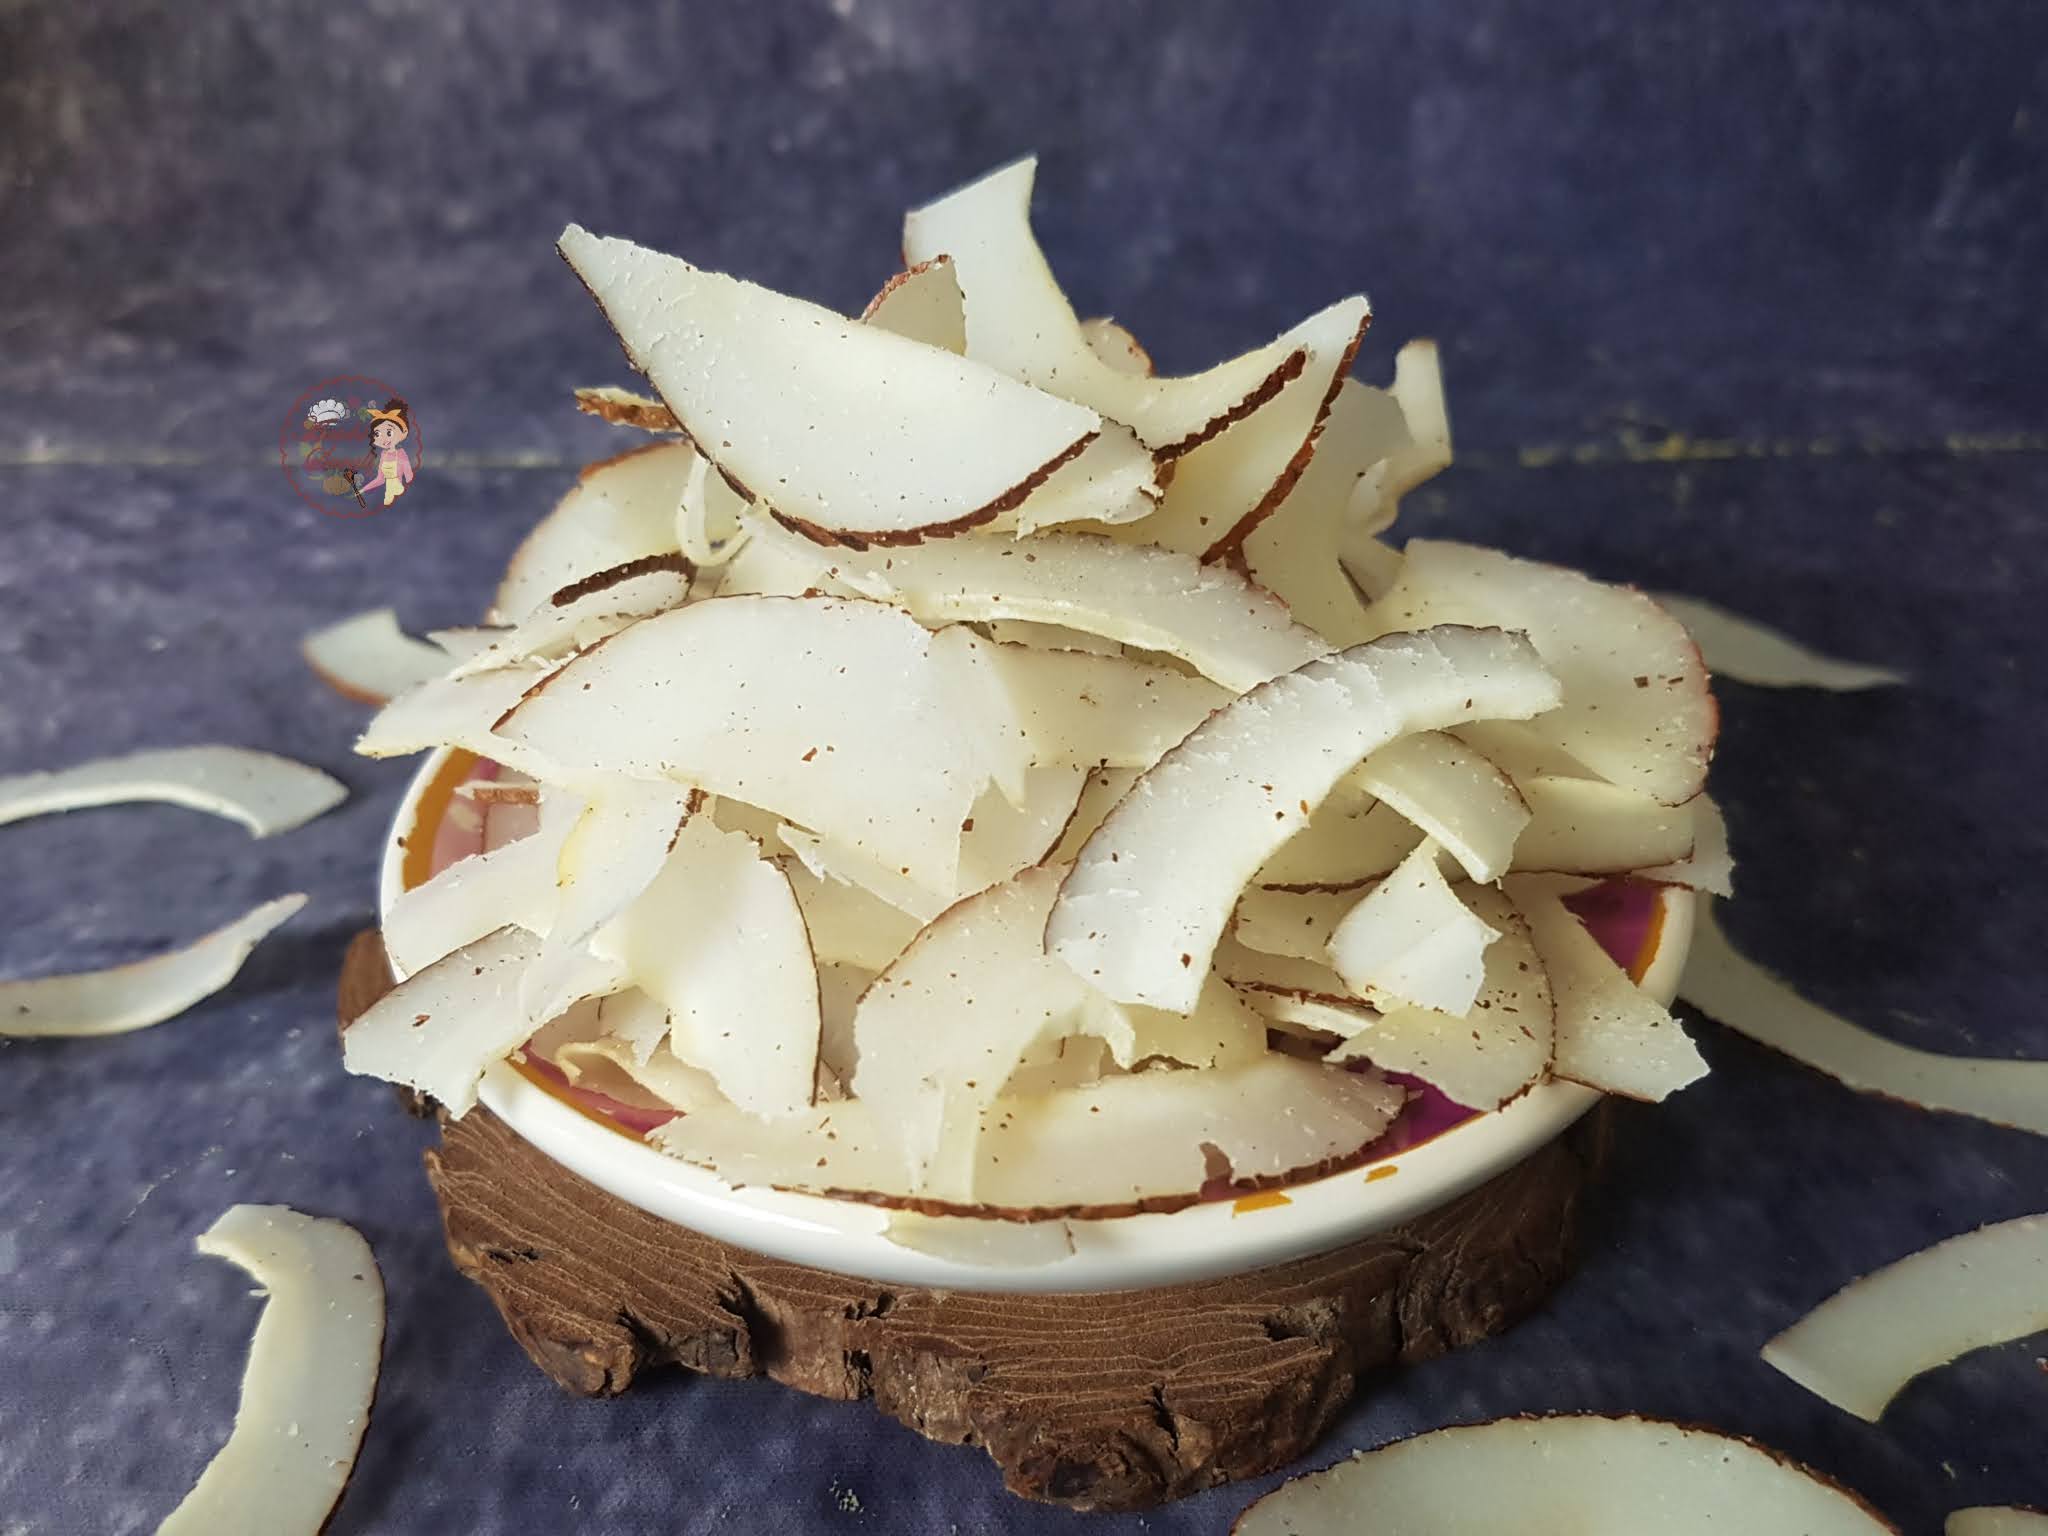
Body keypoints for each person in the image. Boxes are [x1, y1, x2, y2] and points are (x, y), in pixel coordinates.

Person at [356, 398, 416, 507]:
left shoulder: (401, 454)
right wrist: (363, 489)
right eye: (377, 434)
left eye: (389, 432)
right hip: (388, 495)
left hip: (400, 493)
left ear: (404, 432)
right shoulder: (384, 455)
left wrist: (408, 479)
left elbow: (409, 476)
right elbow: (380, 479)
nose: (383, 439)